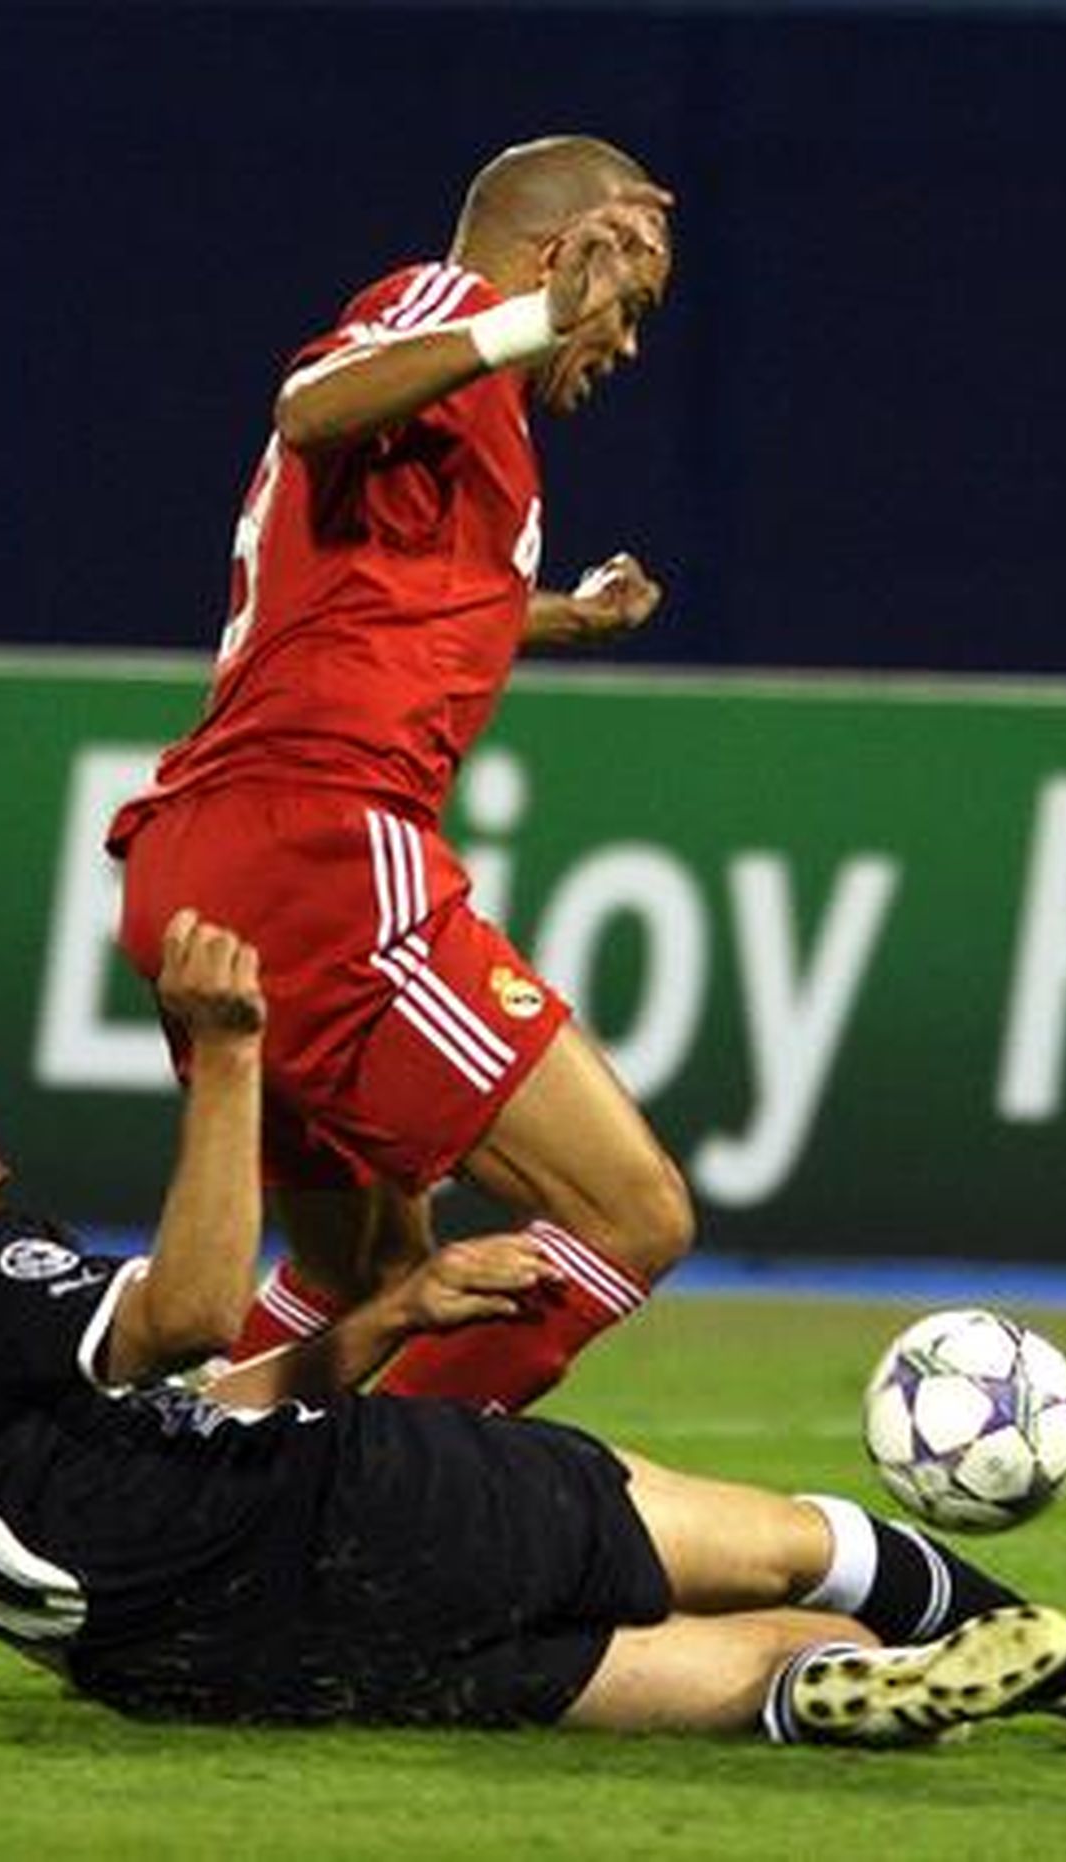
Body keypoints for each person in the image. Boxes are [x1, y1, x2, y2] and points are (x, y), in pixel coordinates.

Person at [0, 909, 1066, 1739]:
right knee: (787, 1542)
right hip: (367, 1507)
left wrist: (395, 1310)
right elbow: (188, 1314)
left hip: (268, 1668)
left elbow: (161, 1443)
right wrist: (231, 1055)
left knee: (708, 1678)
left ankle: (828, 1693)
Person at [106, 134, 691, 1411]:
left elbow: (390, 598)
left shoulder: (463, 423)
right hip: (321, 853)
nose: (624, 344)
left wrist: (560, 619)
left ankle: (176, 1480)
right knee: (629, 1213)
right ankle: (365, 1526)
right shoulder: (445, 311)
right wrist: (532, 318)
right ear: (557, 256)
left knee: (361, 1270)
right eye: (627, 309)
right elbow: (310, 403)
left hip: (216, 855)